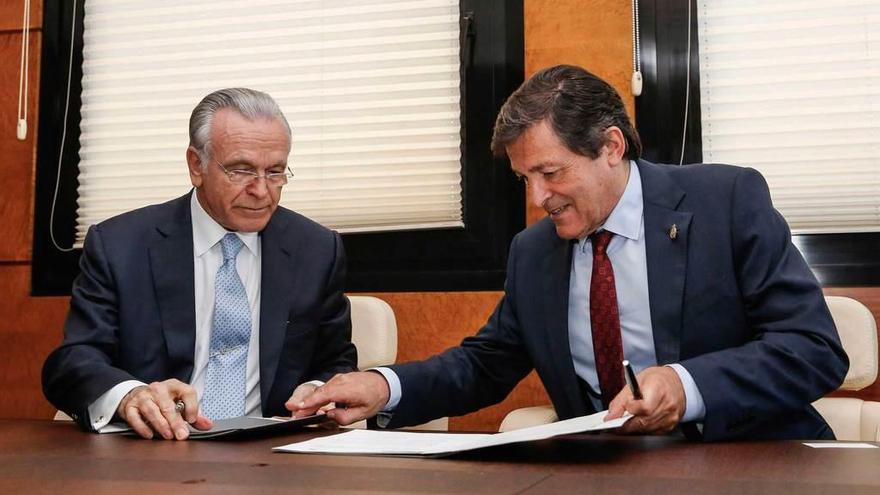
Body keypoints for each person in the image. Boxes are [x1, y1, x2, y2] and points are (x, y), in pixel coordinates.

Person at [294, 65, 849, 441]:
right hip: (605, 475)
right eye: (524, 179)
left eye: (551, 173)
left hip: (750, 461)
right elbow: (485, 364)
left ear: (611, 146)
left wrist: (688, 385)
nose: (537, 199)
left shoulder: (724, 202)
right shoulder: (534, 252)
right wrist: (382, 385)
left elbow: (813, 348)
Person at [42, 88, 357, 440]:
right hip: (153, 451)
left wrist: (317, 390)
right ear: (196, 165)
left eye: (275, 172)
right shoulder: (121, 246)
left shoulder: (315, 249)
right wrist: (131, 395)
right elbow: (72, 362)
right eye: (241, 170)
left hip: (270, 455)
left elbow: (337, 361)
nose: (262, 190)